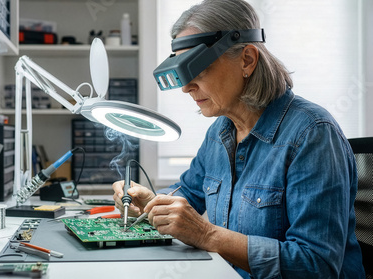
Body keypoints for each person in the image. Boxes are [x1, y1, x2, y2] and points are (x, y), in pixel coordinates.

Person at [112, 0, 365, 278]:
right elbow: (190, 193)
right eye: (182, 73)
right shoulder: (221, 131)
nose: (186, 87)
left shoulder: (313, 134)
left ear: (247, 60)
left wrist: (208, 235)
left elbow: (315, 266)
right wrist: (152, 202)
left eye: (198, 70)